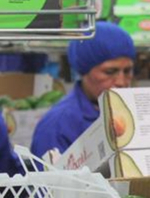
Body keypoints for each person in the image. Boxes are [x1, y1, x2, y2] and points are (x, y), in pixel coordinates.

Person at [30, 22, 135, 158]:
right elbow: (47, 178)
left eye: (127, 71)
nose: (121, 82)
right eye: (110, 71)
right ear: (84, 71)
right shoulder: (58, 125)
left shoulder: (135, 112)